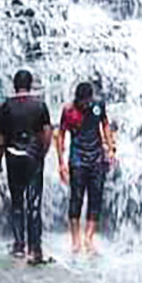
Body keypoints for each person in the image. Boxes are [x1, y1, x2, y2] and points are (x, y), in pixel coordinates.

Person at [0, 69, 53, 265]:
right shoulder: (40, 105)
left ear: (15, 85)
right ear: (31, 84)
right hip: (33, 157)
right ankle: (35, 249)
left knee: (17, 203)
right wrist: (42, 153)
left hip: (13, 157)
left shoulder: (6, 107)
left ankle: (19, 246)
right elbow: (47, 132)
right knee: (34, 203)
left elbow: (1, 140)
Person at [55, 81, 117, 256]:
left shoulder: (98, 106)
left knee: (95, 198)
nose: (85, 105)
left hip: (97, 158)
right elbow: (60, 135)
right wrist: (61, 163)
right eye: (82, 101)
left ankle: (89, 238)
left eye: (87, 101)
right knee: (76, 198)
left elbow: (105, 124)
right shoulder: (68, 111)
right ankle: (75, 240)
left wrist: (110, 148)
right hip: (78, 159)